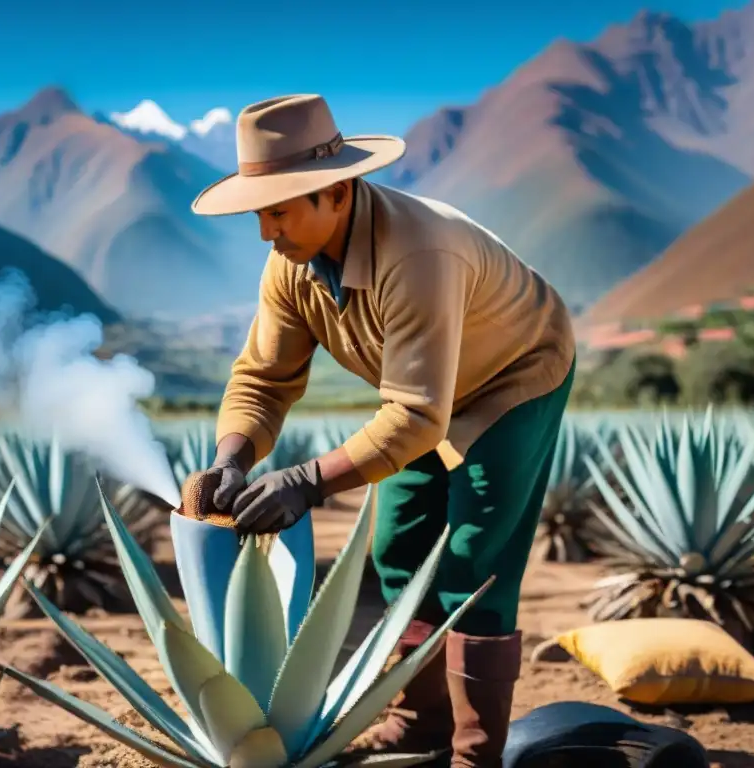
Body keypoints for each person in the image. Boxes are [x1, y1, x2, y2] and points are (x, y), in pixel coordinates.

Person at [188, 94, 576, 768]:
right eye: (259, 212)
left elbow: (419, 416)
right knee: (398, 548)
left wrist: (308, 482)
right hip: (418, 398)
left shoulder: (419, 252)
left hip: (512, 376)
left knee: (474, 562)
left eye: (277, 210)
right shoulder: (290, 266)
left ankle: (474, 752)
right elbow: (263, 377)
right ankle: (422, 721)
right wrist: (233, 456)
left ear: (335, 193)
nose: (264, 231)